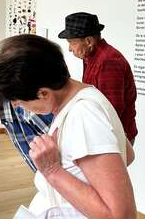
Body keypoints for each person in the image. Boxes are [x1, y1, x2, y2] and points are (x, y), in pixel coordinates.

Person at [0, 34, 138, 219]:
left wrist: (52, 171)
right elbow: (126, 153)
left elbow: (122, 218)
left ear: (44, 93)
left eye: (19, 102)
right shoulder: (85, 96)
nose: (18, 107)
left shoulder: (83, 116)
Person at [58, 12, 138, 143]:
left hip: (114, 136)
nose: (69, 49)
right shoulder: (90, 57)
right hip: (104, 132)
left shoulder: (108, 62)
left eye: (71, 43)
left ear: (89, 41)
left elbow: (111, 110)